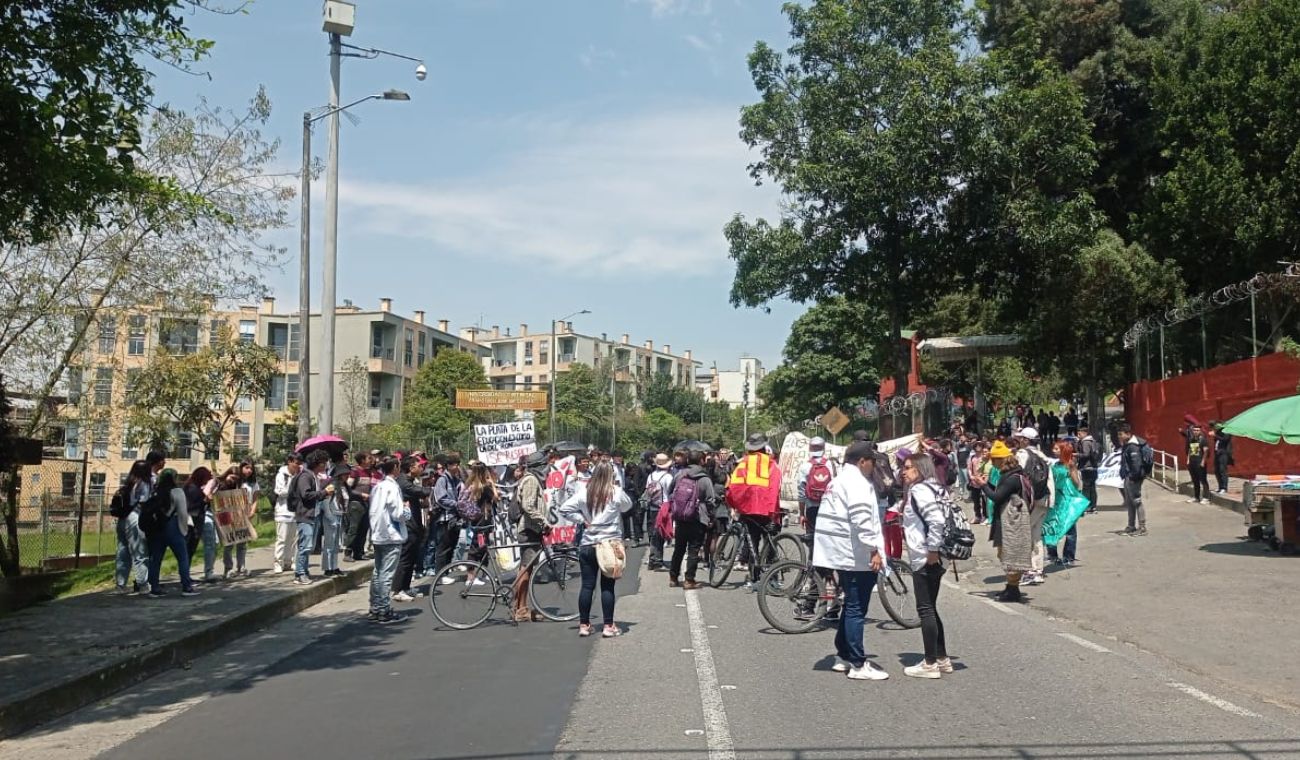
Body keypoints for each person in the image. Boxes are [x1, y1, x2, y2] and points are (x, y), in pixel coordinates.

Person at [815, 441, 888, 681]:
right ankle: (858, 663)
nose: (874, 466)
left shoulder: (838, 481)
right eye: (872, 461)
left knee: (850, 604)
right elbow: (861, 519)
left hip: (840, 552)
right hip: (855, 553)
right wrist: (873, 550)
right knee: (857, 607)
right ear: (862, 461)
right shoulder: (856, 483)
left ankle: (843, 654)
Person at [558, 462, 634, 638]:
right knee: (607, 586)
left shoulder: (585, 492)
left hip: (588, 543)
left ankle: (584, 624)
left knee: (587, 586)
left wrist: (583, 519)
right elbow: (627, 506)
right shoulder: (615, 492)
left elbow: (564, 509)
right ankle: (608, 625)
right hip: (609, 543)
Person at [900, 452, 953, 679]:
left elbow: (936, 520)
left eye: (909, 467)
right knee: (931, 606)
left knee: (925, 608)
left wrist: (931, 549)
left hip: (926, 555)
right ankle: (942, 658)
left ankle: (930, 663)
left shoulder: (920, 490)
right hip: (939, 554)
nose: (904, 471)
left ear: (920, 469)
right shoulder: (937, 488)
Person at [725, 433, 784, 589]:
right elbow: (776, 488)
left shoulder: (743, 464)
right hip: (769, 509)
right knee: (770, 543)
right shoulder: (772, 464)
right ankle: (774, 577)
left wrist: (734, 505)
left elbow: (733, 489)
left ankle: (754, 577)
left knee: (752, 542)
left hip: (749, 510)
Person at [982, 440, 1033, 603]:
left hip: (1011, 521)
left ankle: (1013, 589)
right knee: (1003, 552)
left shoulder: (1012, 478)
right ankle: (1011, 587)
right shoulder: (1009, 474)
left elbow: (997, 497)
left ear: (1000, 460)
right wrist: (985, 484)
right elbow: (999, 492)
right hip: (1006, 519)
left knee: (1009, 552)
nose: (991, 462)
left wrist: (983, 486)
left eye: (993, 459)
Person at [145, 469, 199, 597]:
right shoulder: (177, 491)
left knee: (156, 559)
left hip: (158, 526)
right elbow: (182, 512)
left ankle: (154, 588)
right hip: (173, 525)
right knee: (182, 557)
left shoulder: (156, 491)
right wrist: (184, 530)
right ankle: (186, 586)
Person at [367, 457, 408, 624]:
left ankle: (375, 608)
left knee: (377, 572)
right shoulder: (392, 487)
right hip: (391, 534)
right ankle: (384, 610)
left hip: (378, 533)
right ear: (396, 468)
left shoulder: (378, 486)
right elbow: (397, 513)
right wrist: (407, 512)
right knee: (386, 574)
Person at [669, 449, 717, 590]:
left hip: (680, 515)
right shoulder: (704, 478)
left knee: (679, 548)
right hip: (697, 517)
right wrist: (711, 517)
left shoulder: (680, 474)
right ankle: (689, 580)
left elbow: (671, 490)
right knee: (693, 550)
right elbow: (710, 500)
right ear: (702, 461)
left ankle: (673, 577)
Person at [511, 451, 550, 622]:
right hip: (528, 530)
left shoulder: (531, 479)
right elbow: (527, 505)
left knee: (527, 568)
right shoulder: (531, 480)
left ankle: (520, 606)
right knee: (526, 569)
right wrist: (544, 521)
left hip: (531, 529)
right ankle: (521, 609)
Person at [391, 457, 430, 602]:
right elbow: (420, 491)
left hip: (414, 523)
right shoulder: (403, 482)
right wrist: (428, 489)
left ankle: (406, 587)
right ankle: (397, 589)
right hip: (407, 525)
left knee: (412, 557)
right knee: (405, 558)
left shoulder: (410, 481)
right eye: (418, 466)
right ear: (410, 468)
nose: (421, 468)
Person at [1013, 428, 1049, 586]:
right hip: (1045, 498)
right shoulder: (1042, 455)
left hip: (1030, 500)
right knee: (1036, 536)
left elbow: (1018, 477)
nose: (1019, 440)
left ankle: (1028, 571)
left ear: (1026, 440)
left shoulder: (1022, 454)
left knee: (1025, 534)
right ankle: (1037, 571)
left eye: (1021, 438)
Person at [291, 450, 332, 583]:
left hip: (313, 514)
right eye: (324, 463)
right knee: (305, 545)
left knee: (310, 545)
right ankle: (300, 573)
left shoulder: (313, 476)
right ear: (318, 463)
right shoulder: (305, 476)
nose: (325, 465)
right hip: (305, 515)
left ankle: (304, 571)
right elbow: (306, 494)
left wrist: (324, 492)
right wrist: (324, 492)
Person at [113, 460, 152, 595]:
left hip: (123, 519)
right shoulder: (144, 483)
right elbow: (144, 502)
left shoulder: (129, 483)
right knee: (140, 552)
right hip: (135, 517)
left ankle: (120, 584)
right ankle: (142, 584)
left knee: (122, 551)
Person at [458, 461, 500, 587]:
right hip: (483, 521)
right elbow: (496, 498)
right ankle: (471, 577)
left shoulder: (469, 485)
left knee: (481, 546)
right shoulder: (484, 487)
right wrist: (493, 485)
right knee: (477, 548)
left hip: (475, 520)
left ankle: (481, 573)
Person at [431, 452, 465, 583]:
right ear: (448, 466)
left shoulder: (456, 480)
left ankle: (446, 571)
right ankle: (440, 574)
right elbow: (441, 498)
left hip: (455, 518)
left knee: (451, 545)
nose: (456, 467)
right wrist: (457, 504)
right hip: (444, 518)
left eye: (457, 464)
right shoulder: (442, 479)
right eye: (453, 464)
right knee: (443, 547)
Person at [344, 451, 378, 561]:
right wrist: (361, 494)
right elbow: (349, 488)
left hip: (366, 504)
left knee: (364, 529)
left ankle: (359, 552)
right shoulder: (354, 471)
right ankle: (348, 552)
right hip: (356, 504)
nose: (371, 460)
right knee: (354, 528)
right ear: (362, 460)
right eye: (368, 458)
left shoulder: (368, 472)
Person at [271, 454, 302, 574]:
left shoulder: (299, 475)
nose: (297, 465)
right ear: (289, 462)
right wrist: (293, 490)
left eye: (299, 463)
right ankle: (278, 562)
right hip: (283, 511)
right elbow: (279, 491)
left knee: (293, 539)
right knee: (282, 538)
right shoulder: (281, 475)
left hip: (295, 511)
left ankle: (289, 561)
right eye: (295, 463)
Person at [644, 453, 675, 571]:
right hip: (664, 507)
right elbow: (671, 492)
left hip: (653, 506)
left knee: (654, 533)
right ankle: (656, 560)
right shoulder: (667, 477)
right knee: (661, 533)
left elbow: (647, 490)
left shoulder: (651, 476)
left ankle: (653, 558)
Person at [183, 466, 213, 576]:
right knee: (188, 550)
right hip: (192, 522)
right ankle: (185, 576)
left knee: (190, 550)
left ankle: (186, 575)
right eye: (206, 478)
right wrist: (204, 500)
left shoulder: (194, 487)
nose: (207, 481)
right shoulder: (192, 489)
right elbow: (191, 507)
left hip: (194, 521)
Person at [1118, 423, 1148, 536]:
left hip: (1133, 478)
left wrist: (1132, 478)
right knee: (1130, 503)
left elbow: (1136, 465)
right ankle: (1131, 526)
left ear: (1128, 434)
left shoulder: (1133, 446)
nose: (1119, 437)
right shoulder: (1127, 445)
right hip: (1128, 477)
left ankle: (1142, 527)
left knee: (1137, 501)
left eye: (1121, 434)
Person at [1182, 421, 1210, 504]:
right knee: (1195, 480)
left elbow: (1205, 451)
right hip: (1192, 462)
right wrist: (1188, 460)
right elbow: (1190, 450)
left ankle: (1206, 497)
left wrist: (1203, 461)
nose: (1196, 431)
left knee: (1203, 480)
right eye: (1194, 430)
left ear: (1200, 431)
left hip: (1200, 462)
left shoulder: (1203, 440)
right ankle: (1196, 497)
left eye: (1197, 430)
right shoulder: (1192, 440)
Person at [1076, 423, 1101, 515]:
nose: (1078, 435)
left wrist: (1076, 454)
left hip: (1086, 467)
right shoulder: (1093, 441)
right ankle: (1093, 506)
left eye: (1079, 434)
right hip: (1093, 467)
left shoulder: (1085, 442)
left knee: (1086, 488)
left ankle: (1086, 507)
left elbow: (1086, 454)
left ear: (1084, 433)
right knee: (1092, 488)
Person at [620, 453, 644, 546]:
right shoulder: (625, 478)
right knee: (626, 520)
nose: (633, 471)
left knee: (636, 521)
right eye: (631, 469)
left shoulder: (638, 477)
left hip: (635, 500)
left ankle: (637, 538)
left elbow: (641, 485)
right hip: (627, 499)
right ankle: (627, 535)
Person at [1212, 422, 1234, 494]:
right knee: (1217, 471)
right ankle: (1220, 487)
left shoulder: (1227, 432)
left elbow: (1225, 440)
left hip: (1223, 454)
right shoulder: (1218, 432)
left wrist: (1215, 435)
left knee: (1222, 470)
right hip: (1217, 454)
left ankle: (1224, 488)